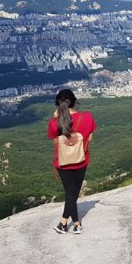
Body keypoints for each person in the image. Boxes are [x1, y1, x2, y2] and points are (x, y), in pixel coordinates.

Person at [47, 89, 96, 234]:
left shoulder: (54, 123)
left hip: (63, 163)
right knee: (72, 194)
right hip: (81, 160)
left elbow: (56, 144)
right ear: (74, 102)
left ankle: (64, 223)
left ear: (58, 105)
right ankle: (75, 223)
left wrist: (54, 117)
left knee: (70, 194)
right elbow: (91, 138)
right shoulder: (87, 117)